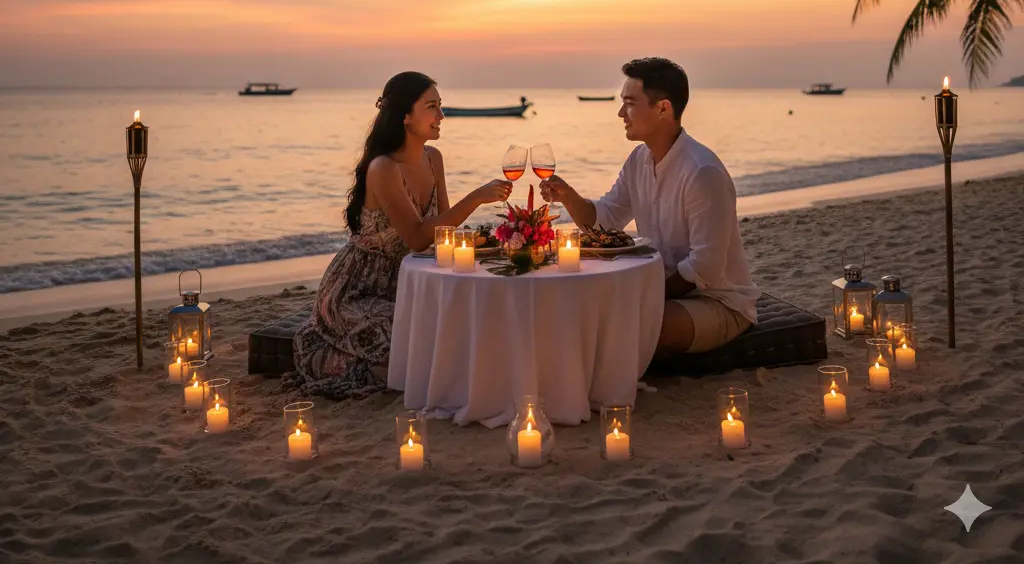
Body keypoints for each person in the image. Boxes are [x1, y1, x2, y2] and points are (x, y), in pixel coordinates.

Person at [291, 71, 512, 397]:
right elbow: (419, 238)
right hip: (360, 287)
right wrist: (477, 197)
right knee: (415, 343)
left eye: (440, 106)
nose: (441, 116)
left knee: (464, 326)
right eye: (432, 107)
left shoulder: (433, 159)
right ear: (406, 117)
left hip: (413, 277)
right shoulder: (383, 169)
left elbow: (443, 231)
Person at [539, 57, 758, 354]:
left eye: (630, 103)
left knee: (624, 324)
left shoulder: (701, 172)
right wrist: (568, 196)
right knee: (589, 313)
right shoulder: (638, 161)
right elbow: (605, 219)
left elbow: (704, 268)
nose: (620, 113)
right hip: (664, 292)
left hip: (719, 301)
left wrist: (644, 296)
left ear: (663, 108)